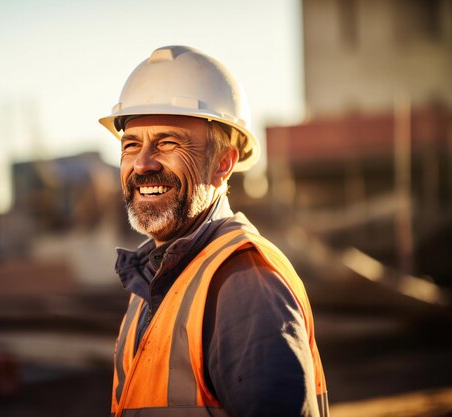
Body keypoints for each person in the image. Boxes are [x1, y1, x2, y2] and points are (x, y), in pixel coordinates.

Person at [99, 45, 328, 417]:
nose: (142, 164)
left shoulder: (244, 283)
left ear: (223, 164)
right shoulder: (150, 283)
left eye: (168, 143)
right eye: (131, 145)